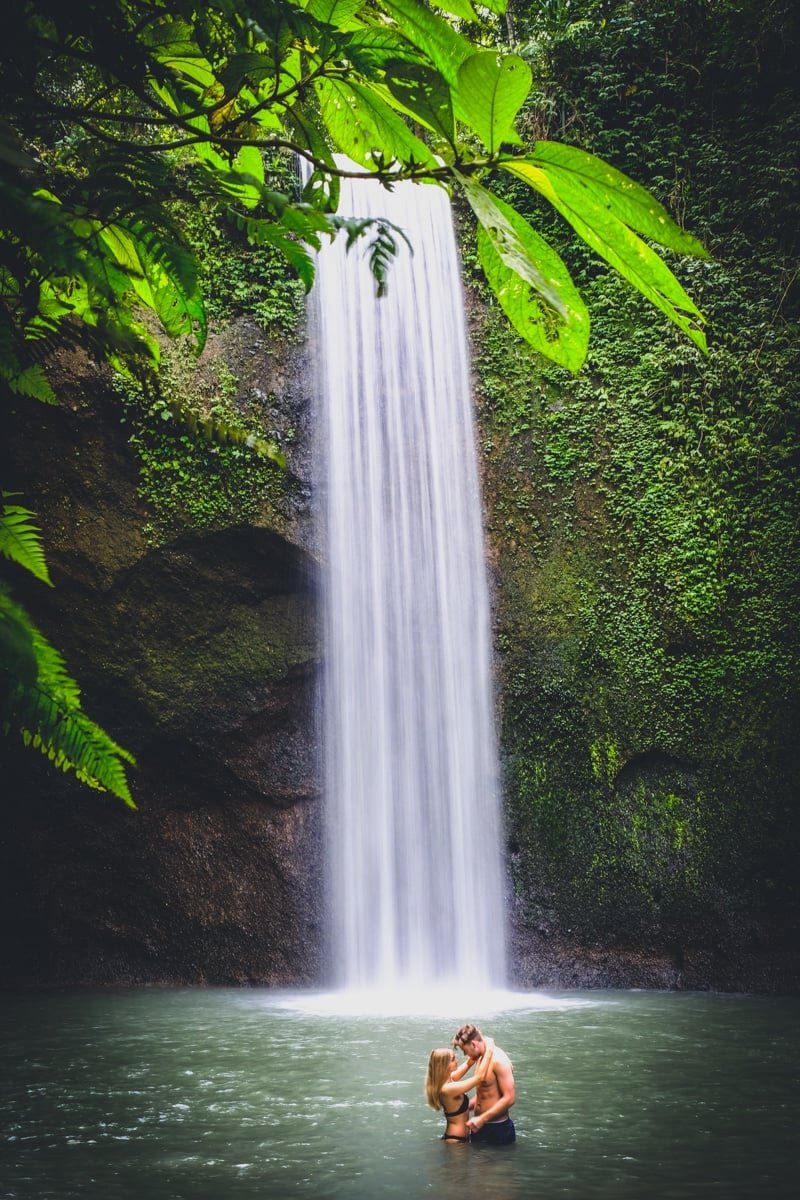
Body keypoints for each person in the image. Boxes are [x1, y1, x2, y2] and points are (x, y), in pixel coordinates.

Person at [452, 1022, 516, 1145]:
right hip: (479, 1126)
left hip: (498, 1130)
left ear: (473, 1044)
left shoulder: (498, 1060)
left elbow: (510, 1098)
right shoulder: (482, 1057)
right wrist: (463, 1108)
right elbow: (485, 1091)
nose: (465, 1055)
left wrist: (482, 1118)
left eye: (465, 1050)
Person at [424, 1037, 495, 1142]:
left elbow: (469, 1063)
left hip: (460, 1139)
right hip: (456, 1140)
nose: (456, 1060)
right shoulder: (447, 1089)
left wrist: (478, 1046)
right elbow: (479, 1078)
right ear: (444, 1065)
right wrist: (489, 1049)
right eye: (453, 1059)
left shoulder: (448, 1080)